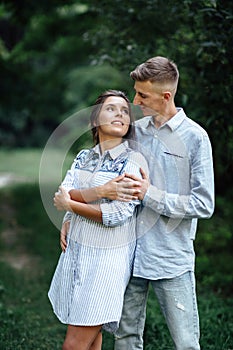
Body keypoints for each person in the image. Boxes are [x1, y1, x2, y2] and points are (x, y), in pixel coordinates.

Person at [61, 56, 215, 349]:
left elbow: (204, 204)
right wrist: (70, 216)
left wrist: (149, 194)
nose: (135, 100)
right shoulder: (135, 132)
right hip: (126, 253)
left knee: (185, 342)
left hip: (170, 257)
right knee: (125, 337)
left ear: (165, 96)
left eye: (142, 95)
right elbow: (96, 174)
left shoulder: (196, 138)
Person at [48, 89, 148, 350]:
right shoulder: (84, 157)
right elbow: (63, 192)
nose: (120, 114)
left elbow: (116, 215)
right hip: (78, 255)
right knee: (93, 341)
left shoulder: (133, 161)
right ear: (95, 120)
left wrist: (72, 205)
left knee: (73, 345)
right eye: (111, 109)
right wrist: (99, 193)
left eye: (125, 110)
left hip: (106, 263)